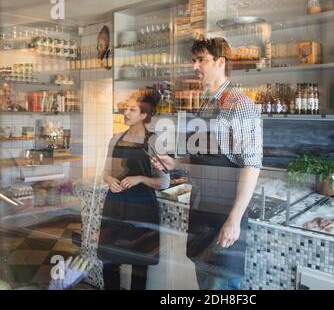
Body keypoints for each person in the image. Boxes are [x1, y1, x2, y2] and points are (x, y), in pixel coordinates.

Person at [151, 37, 262, 290]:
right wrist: (173, 163)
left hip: (224, 212)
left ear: (220, 62)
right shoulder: (207, 104)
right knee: (204, 282)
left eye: (201, 60)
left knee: (221, 286)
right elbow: (202, 161)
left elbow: (252, 165)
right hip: (202, 211)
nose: (195, 66)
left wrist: (234, 220)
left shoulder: (240, 105)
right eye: (194, 60)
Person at [98, 91, 169, 290]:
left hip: (141, 208)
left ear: (144, 115)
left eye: (132, 109)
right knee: (110, 261)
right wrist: (110, 179)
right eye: (125, 109)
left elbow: (164, 182)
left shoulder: (154, 141)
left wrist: (140, 178)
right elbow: (105, 172)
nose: (125, 113)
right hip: (115, 206)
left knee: (139, 263)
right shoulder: (115, 139)